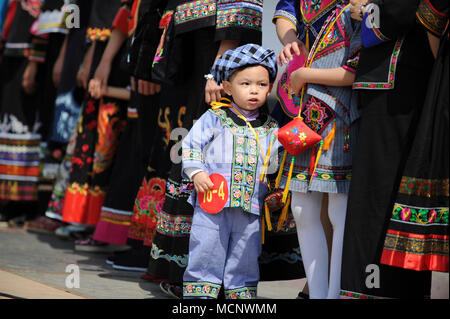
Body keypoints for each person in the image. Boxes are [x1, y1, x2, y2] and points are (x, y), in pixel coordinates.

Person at [340, 0, 447, 299]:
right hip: (395, 84)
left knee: (383, 196)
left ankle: (374, 290)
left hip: (399, 86)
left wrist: (365, 11)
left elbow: (398, 12)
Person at [274, 1, 361, 299]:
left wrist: (304, 75)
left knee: (339, 209)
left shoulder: (358, 9)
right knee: (301, 208)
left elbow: (354, 71)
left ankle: (333, 294)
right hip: (304, 113)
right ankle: (319, 293)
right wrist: (290, 43)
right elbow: (284, 14)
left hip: (337, 116)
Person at [181, 43, 279, 299]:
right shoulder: (215, 117)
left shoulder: (271, 128)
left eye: (261, 84)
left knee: (245, 256)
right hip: (212, 202)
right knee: (206, 249)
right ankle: (199, 298)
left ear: (270, 87)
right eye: (245, 84)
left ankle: (241, 298)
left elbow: (277, 162)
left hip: (251, 207)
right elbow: (191, 145)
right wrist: (197, 172)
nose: (254, 90)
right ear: (227, 87)